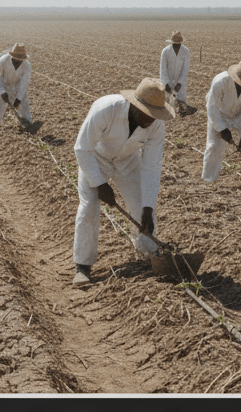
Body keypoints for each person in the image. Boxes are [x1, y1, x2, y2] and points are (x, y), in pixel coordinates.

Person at [71, 79, 174, 285]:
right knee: (90, 205)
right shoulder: (106, 109)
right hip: (96, 158)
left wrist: (147, 206)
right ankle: (83, 266)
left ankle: (149, 255)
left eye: (155, 115)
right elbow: (82, 148)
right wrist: (99, 183)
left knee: (144, 210)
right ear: (136, 106)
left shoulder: (157, 124)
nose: (152, 119)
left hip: (128, 160)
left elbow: (151, 166)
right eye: (148, 113)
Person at [202, 59, 241, 187]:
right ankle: (209, 180)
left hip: (239, 113)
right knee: (214, 145)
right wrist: (222, 129)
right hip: (219, 113)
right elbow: (212, 107)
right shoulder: (220, 81)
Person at [0, 43, 32, 138]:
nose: (18, 62)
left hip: (17, 88)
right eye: (16, 60)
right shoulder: (3, 60)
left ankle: (30, 127)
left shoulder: (27, 66)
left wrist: (18, 99)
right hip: (3, 85)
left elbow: (24, 84)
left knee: (24, 105)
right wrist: (2, 91)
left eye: (20, 60)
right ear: (12, 57)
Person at [159, 31, 191, 105]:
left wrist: (179, 83)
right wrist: (166, 84)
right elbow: (163, 70)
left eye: (178, 45)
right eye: (175, 45)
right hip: (167, 83)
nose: (177, 47)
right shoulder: (165, 51)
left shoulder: (186, 51)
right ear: (172, 42)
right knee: (166, 106)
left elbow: (185, 70)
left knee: (180, 105)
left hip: (180, 85)